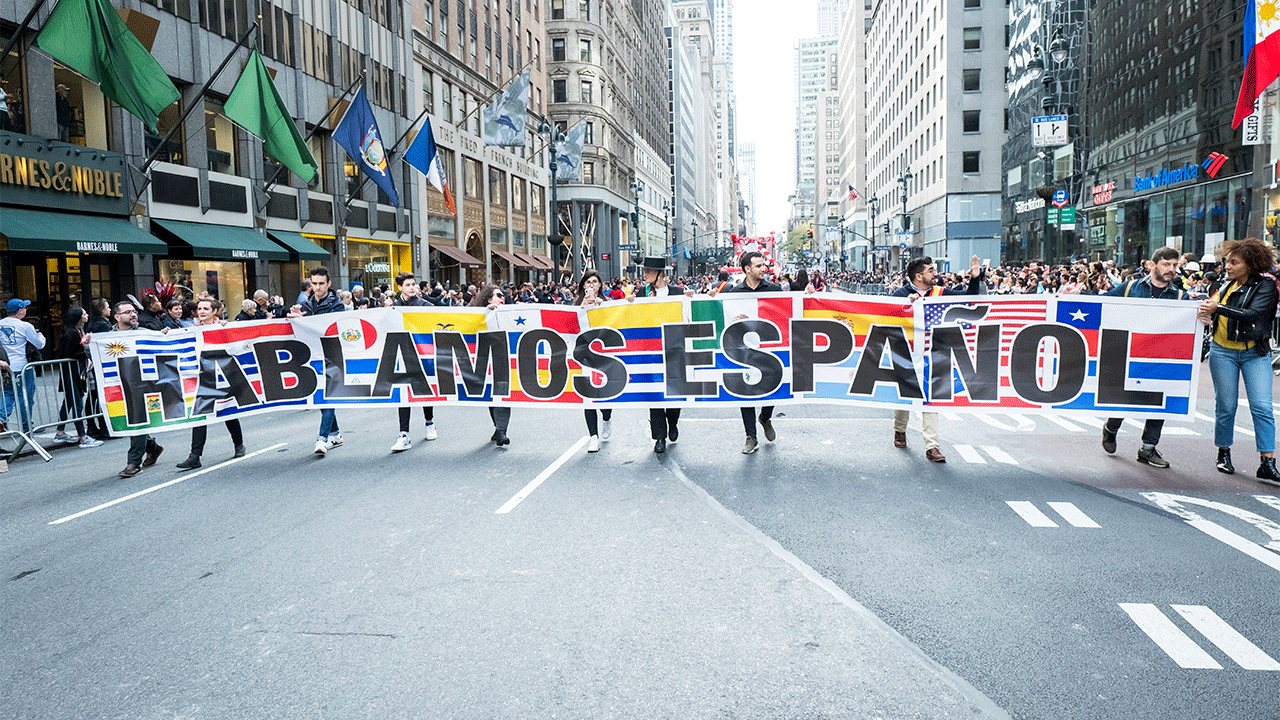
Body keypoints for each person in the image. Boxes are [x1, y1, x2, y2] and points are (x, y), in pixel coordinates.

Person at [1197, 238, 1280, 483]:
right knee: (1226, 406)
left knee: (1262, 407)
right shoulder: (1225, 285)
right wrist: (1205, 313)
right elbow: (1212, 311)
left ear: (1250, 263)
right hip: (1222, 351)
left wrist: (1216, 308)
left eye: (1234, 262)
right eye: (1227, 262)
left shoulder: (1266, 286)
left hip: (1255, 352)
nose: (1228, 267)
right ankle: (1223, 453)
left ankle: (1267, 462)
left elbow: (1253, 314)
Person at [889, 254, 986, 463]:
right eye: (931, 270)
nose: (936, 273)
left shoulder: (941, 292)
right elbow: (884, 315)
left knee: (930, 399)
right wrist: (906, 305)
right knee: (905, 397)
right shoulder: (900, 294)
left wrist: (975, 277)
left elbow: (968, 299)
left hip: (933, 354)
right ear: (918, 276)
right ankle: (899, 431)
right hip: (906, 353)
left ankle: (932, 447)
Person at [1100, 247, 1189, 469]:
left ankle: (1148, 448)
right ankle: (1111, 428)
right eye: (1166, 264)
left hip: (1161, 357)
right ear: (1152, 265)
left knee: (1160, 401)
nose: (1171, 269)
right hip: (1130, 353)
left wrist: (1203, 316)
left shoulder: (1180, 296)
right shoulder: (1130, 287)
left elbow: (1192, 323)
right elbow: (1102, 303)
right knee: (1124, 398)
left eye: (1175, 265)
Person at [629, 256, 695, 454]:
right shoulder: (641, 293)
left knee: (674, 391)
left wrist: (692, 299)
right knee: (654, 393)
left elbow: (690, 318)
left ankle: (672, 422)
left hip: (674, 349)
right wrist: (631, 304)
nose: (645, 274)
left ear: (660, 273)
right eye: (645, 271)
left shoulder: (678, 293)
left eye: (648, 271)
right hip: (650, 351)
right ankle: (659, 436)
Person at [727, 252, 785, 454]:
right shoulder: (733, 293)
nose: (764, 269)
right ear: (747, 269)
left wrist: (809, 294)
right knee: (746, 392)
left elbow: (792, 309)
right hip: (744, 351)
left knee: (775, 387)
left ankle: (766, 417)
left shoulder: (775, 290)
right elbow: (722, 315)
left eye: (764, 265)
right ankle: (751, 436)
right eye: (759, 266)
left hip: (770, 350)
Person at [176, 298, 245, 469]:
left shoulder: (222, 327)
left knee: (227, 411)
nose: (202, 311)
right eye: (199, 308)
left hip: (222, 376)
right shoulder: (192, 329)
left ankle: (239, 444)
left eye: (206, 308)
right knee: (199, 414)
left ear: (214, 311)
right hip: (202, 377)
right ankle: (195, 456)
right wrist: (168, 333)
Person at [288, 267, 347, 456]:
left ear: (329, 284)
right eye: (314, 283)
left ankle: (322, 438)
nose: (318, 287)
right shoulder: (306, 305)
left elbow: (327, 327)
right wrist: (292, 316)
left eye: (322, 284)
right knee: (321, 396)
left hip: (332, 355)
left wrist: (305, 320)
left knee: (327, 395)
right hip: (312, 356)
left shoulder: (337, 305)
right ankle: (335, 434)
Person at [112, 300, 164, 477]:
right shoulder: (107, 336)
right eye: (127, 312)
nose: (133, 314)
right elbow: (94, 353)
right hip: (120, 385)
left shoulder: (145, 333)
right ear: (117, 317)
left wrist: (163, 336)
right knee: (129, 420)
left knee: (137, 420)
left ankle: (133, 463)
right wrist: (88, 344)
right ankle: (152, 446)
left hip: (142, 384)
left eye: (134, 311)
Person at [389, 272, 439, 453]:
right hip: (402, 355)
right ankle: (403, 434)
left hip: (422, 354)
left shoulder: (425, 305)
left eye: (413, 284)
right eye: (408, 285)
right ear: (400, 287)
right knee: (403, 394)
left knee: (424, 390)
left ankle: (429, 422)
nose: (412, 287)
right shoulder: (393, 307)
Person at [51, 307, 103, 448]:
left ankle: (60, 432)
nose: (87, 315)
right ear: (78, 317)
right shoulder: (73, 333)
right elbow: (70, 353)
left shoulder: (77, 331)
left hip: (75, 371)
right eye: (84, 314)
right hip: (72, 372)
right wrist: (84, 347)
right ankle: (83, 437)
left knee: (69, 402)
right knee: (77, 403)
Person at [471, 285, 512, 446]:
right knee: (491, 396)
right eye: (498, 295)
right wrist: (485, 313)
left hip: (504, 361)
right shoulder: (480, 314)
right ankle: (498, 428)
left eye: (503, 296)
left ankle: (502, 431)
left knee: (502, 394)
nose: (502, 298)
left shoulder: (510, 313)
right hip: (485, 362)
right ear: (489, 299)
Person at [576, 270, 612, 453]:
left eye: (595, 282)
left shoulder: (608, 305)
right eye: (588, 282)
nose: (591, 285)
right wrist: (583, 307)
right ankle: (593, 437)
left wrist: (602, 309)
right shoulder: (575, 305)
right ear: (583, 285)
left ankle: (607, 418)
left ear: (600, 285)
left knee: (605, 396)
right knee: (588, 398)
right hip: (584, 357)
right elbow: (569, 327)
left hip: (604, 357)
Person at [0, 298, 46, 434]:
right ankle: (26, 426)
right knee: (25, 396)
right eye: (24, 308)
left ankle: (1, 418)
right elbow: (39, 344)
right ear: (19, 311)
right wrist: (41, 336)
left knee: (7, 393)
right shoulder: (25, 326)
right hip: (22, 366)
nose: (26, 310)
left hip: (5, 365)